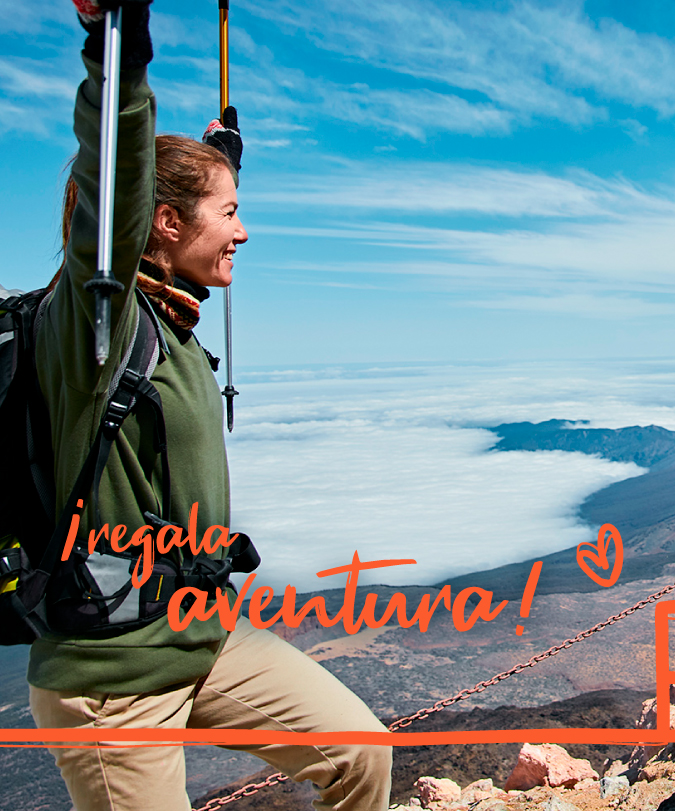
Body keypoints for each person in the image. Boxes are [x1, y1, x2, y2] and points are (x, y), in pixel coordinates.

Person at [27, 3, 392, 810]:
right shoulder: (98, 323)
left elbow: (171, 196)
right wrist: (116, 44)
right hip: (114, 681)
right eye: (230, 215)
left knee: (361, 753)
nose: (246, 233)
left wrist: (216, 165)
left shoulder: (174, 316)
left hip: (202, 637)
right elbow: (114, 174)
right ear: (160, 223)